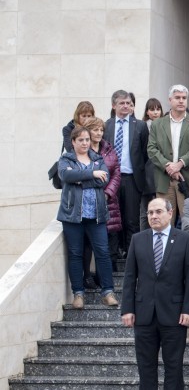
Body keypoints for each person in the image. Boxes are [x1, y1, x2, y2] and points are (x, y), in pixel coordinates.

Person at [121, 198, 189, 390]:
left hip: (174, 314)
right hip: (144, 314)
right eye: (150, 213)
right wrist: (127, 309)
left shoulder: (185, 239)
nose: (153, 216)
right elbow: (130, 277)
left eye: (158, 212)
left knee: (174, 366)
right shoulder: (138, 239)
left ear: (170, 213)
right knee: (145, 367)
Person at [57, 126, 118, 309]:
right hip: (72, 216)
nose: (85, 143)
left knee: (103, 253)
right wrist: (91, 174)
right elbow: (66, 175)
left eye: (87, 140)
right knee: (75, 254)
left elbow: (104, 180)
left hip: (96, 215)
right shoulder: (65, 159)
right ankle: (78, 294)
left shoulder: (97, 158)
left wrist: (79, 179)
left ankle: (108, 292)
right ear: (73, 142)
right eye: (81, 140)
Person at [147, 84, 189, 218]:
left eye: (184, 98)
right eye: (177, 97)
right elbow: (151, 149)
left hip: (188, 179)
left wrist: (180, 164)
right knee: (163, 221)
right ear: (170, 100)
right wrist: (168, 166)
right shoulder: (157, 124)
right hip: (164, 180)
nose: (181, 101)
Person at [105, 90, 150, 259]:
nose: (126, 106)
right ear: (113, 105)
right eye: (122, 103)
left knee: (131, 219)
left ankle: (131, 255)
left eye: (128, 103)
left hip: (131, 178)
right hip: (110, 180)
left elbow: (145, 153)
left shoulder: (140, 125)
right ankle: (114, 255)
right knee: (113, 220)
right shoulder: (106, 125)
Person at [84, 117, 123, 275]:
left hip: (109, 200)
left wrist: (108, 193)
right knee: (90, 242)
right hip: (90, 201)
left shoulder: (108, 148)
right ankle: (91, 276)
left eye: (101, 130)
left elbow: (117, 173)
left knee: (110, 235)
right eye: (95, 130)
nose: (99, 133)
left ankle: (107, 275)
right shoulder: (83, 150)